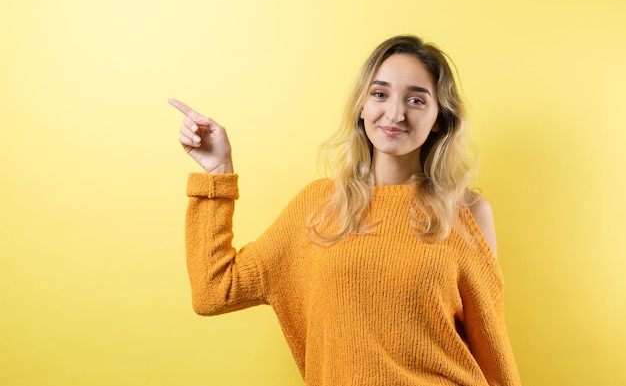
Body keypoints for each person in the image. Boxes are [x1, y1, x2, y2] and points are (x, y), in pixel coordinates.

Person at [170, 35, 521, 385]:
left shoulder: (467, 211)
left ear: (439, 118)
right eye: (379, 94)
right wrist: (217, 174)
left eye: (416, 100)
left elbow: (490, 343)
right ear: (361, 107)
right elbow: (214, 291)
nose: (395, 113)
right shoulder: (318, 206)